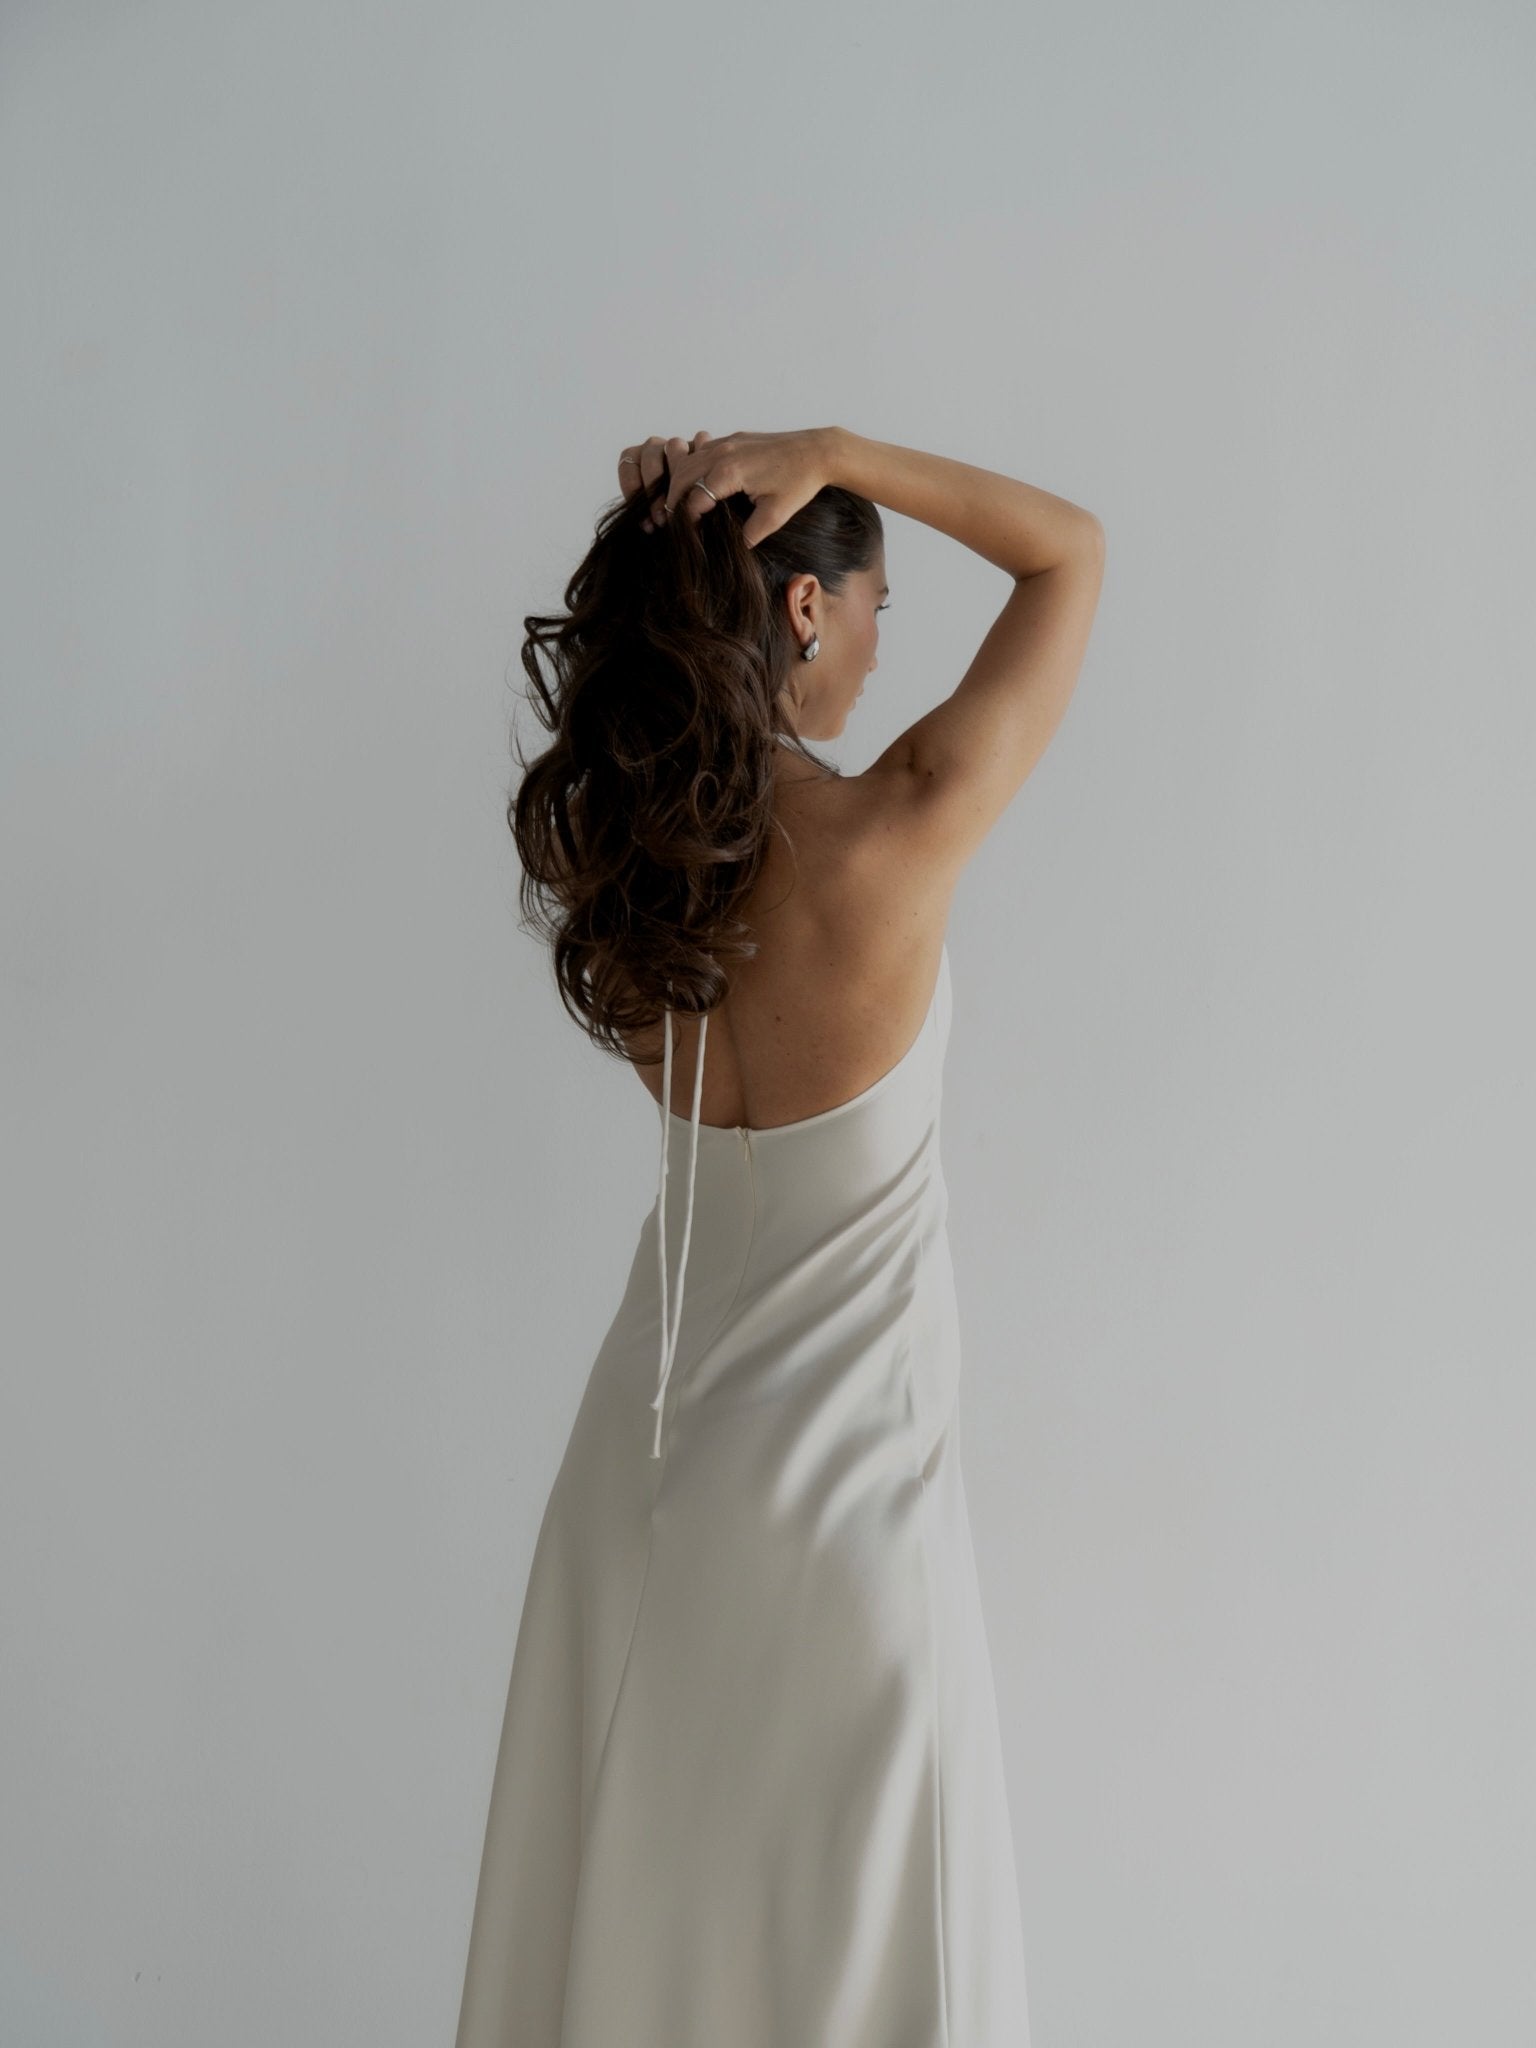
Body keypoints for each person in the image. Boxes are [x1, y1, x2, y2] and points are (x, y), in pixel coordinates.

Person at [455, 425, 1106, 2048]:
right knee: (869, 1956)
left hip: (644, 1474)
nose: (885, 647)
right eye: (874, 606)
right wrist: (840, 444)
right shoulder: (893, 836)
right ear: (804, 612)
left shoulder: (640, 882)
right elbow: (1070, 552)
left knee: (645, 1936)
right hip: (844, 1499)